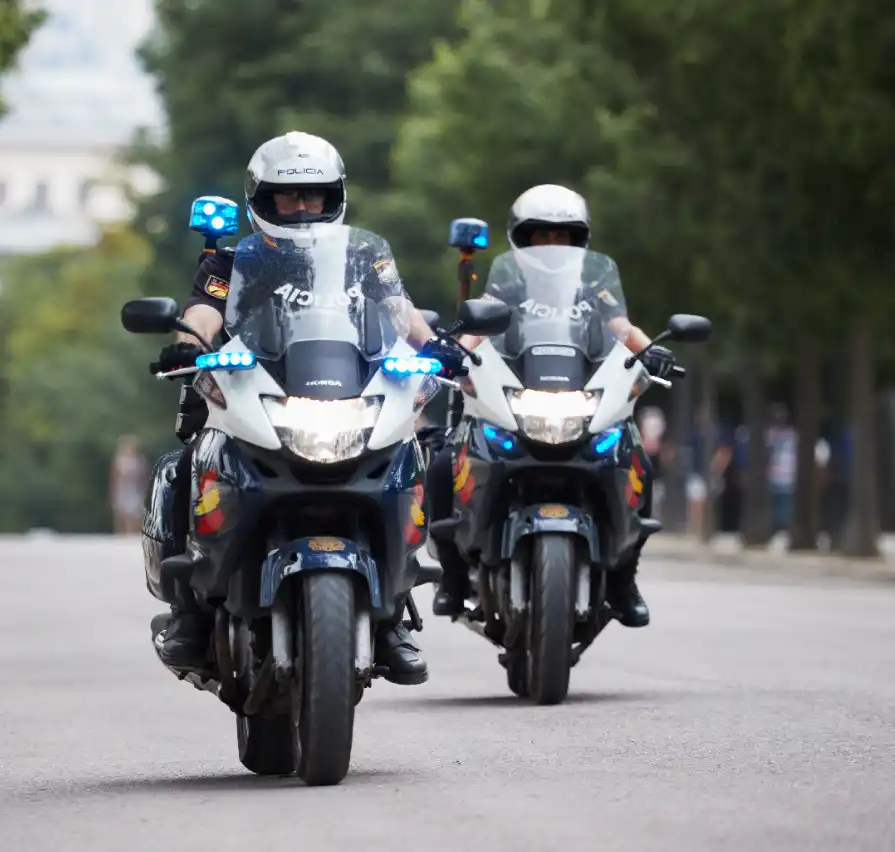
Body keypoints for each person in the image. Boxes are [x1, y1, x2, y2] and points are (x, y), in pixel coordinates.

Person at [151, 131, 464, 683]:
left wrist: (434, 344)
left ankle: (392, 615)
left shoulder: (364, 256)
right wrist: (190, 343)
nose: (300, 207)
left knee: (406, 458)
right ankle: (189, 615)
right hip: (256, 393)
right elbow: (204, 312)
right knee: (186, 466)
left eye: (313, 195)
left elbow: (398, 308)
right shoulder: (231, 261)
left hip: (343, 391)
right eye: (287, 196)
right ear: (262, 200)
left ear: (333, 196)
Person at [428, 184, 677, 627]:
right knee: (444, 462)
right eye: (541, 234)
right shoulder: (506, 284)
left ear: (579, 240)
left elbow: (621, 326)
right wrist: (456, 351)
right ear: (522, 238)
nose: (551, 244)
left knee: (636, 459)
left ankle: (625, 578)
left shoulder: (593, 285)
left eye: (562, 235)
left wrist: (651, 350)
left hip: (580, 398)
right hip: (514, 398)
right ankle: (452, 575)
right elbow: (478, 325)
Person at [109, 434, 149, 534]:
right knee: (122, 516)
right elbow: (114, 478)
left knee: (136, 516)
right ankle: (122, 535)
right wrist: (113, 493)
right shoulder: (119, 461)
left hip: (136, 491)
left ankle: (132, 535)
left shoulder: (139, 461)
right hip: (123, 491)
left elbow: (143, 478)